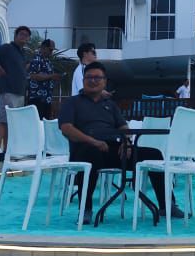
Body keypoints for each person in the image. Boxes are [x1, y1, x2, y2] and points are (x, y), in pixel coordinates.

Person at [58, 61, 182, 219]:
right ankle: (85, 209)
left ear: (105, 82)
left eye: (98, 77)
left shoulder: (110, 105)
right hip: (84, 149)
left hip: (111, 149)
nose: (93, 81)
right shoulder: (72, 102)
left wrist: (126, 143)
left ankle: (167, 206)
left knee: (154, 154)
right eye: (89, 77)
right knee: (90, 154)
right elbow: (66, 128)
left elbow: (123, 126)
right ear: (83, 81)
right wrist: (93, 141)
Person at [0, 26, 31, 154]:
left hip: (19, 91)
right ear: (15, 36)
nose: (24, 37)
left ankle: (7, 150)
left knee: (12, 122)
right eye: (21, 34)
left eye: (26, 35)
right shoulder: (7, 48)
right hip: (8, 89)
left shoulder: (22, 53)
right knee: (3, 119)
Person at [26, 38, 60, 120]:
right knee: (37, 123)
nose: (51, 52)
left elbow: (49, 78)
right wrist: (51, 76)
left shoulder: (48, 62)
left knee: (45, 123)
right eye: (50, 50)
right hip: (37, 99)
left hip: (47, 99)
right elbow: (33, 76)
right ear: (44, 48)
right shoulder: (36, 60)